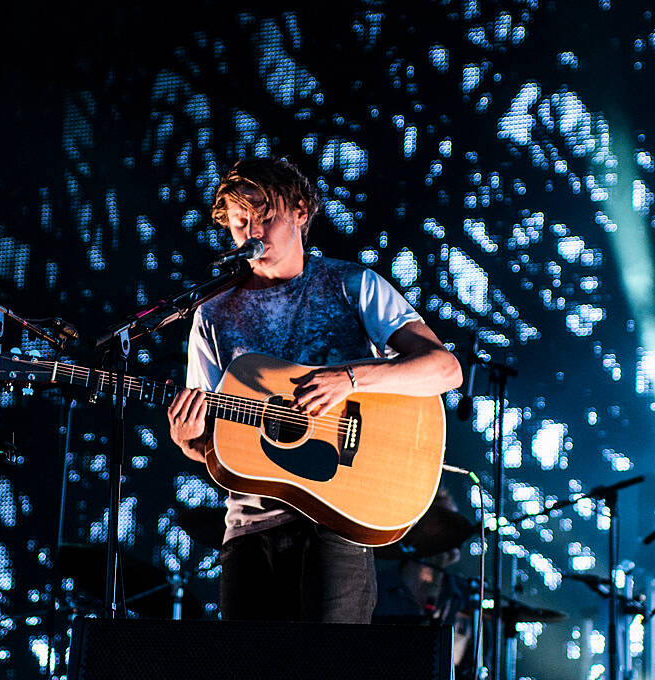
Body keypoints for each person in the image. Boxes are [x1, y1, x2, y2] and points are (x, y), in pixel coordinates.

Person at [167, 157, 463, 623]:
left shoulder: (350, 284)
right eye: (240, 222)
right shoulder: (212, 313)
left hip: (339, 518)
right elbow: (213, 441)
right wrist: (189, 440)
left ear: (301, 211)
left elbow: (444, 369)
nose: (252, 233)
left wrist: (349, 379)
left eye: (264, 216)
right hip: (250, 527)